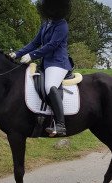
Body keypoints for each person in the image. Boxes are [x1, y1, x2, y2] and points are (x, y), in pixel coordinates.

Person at [9, 0, 72, 137]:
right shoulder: (46, 24)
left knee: (50, 86)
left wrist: (32, 55)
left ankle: (61, 124)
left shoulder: (62, 25)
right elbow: (35, 43)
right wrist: (17, 53)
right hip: (46, 63)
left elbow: (52, 45)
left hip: (58, 63)